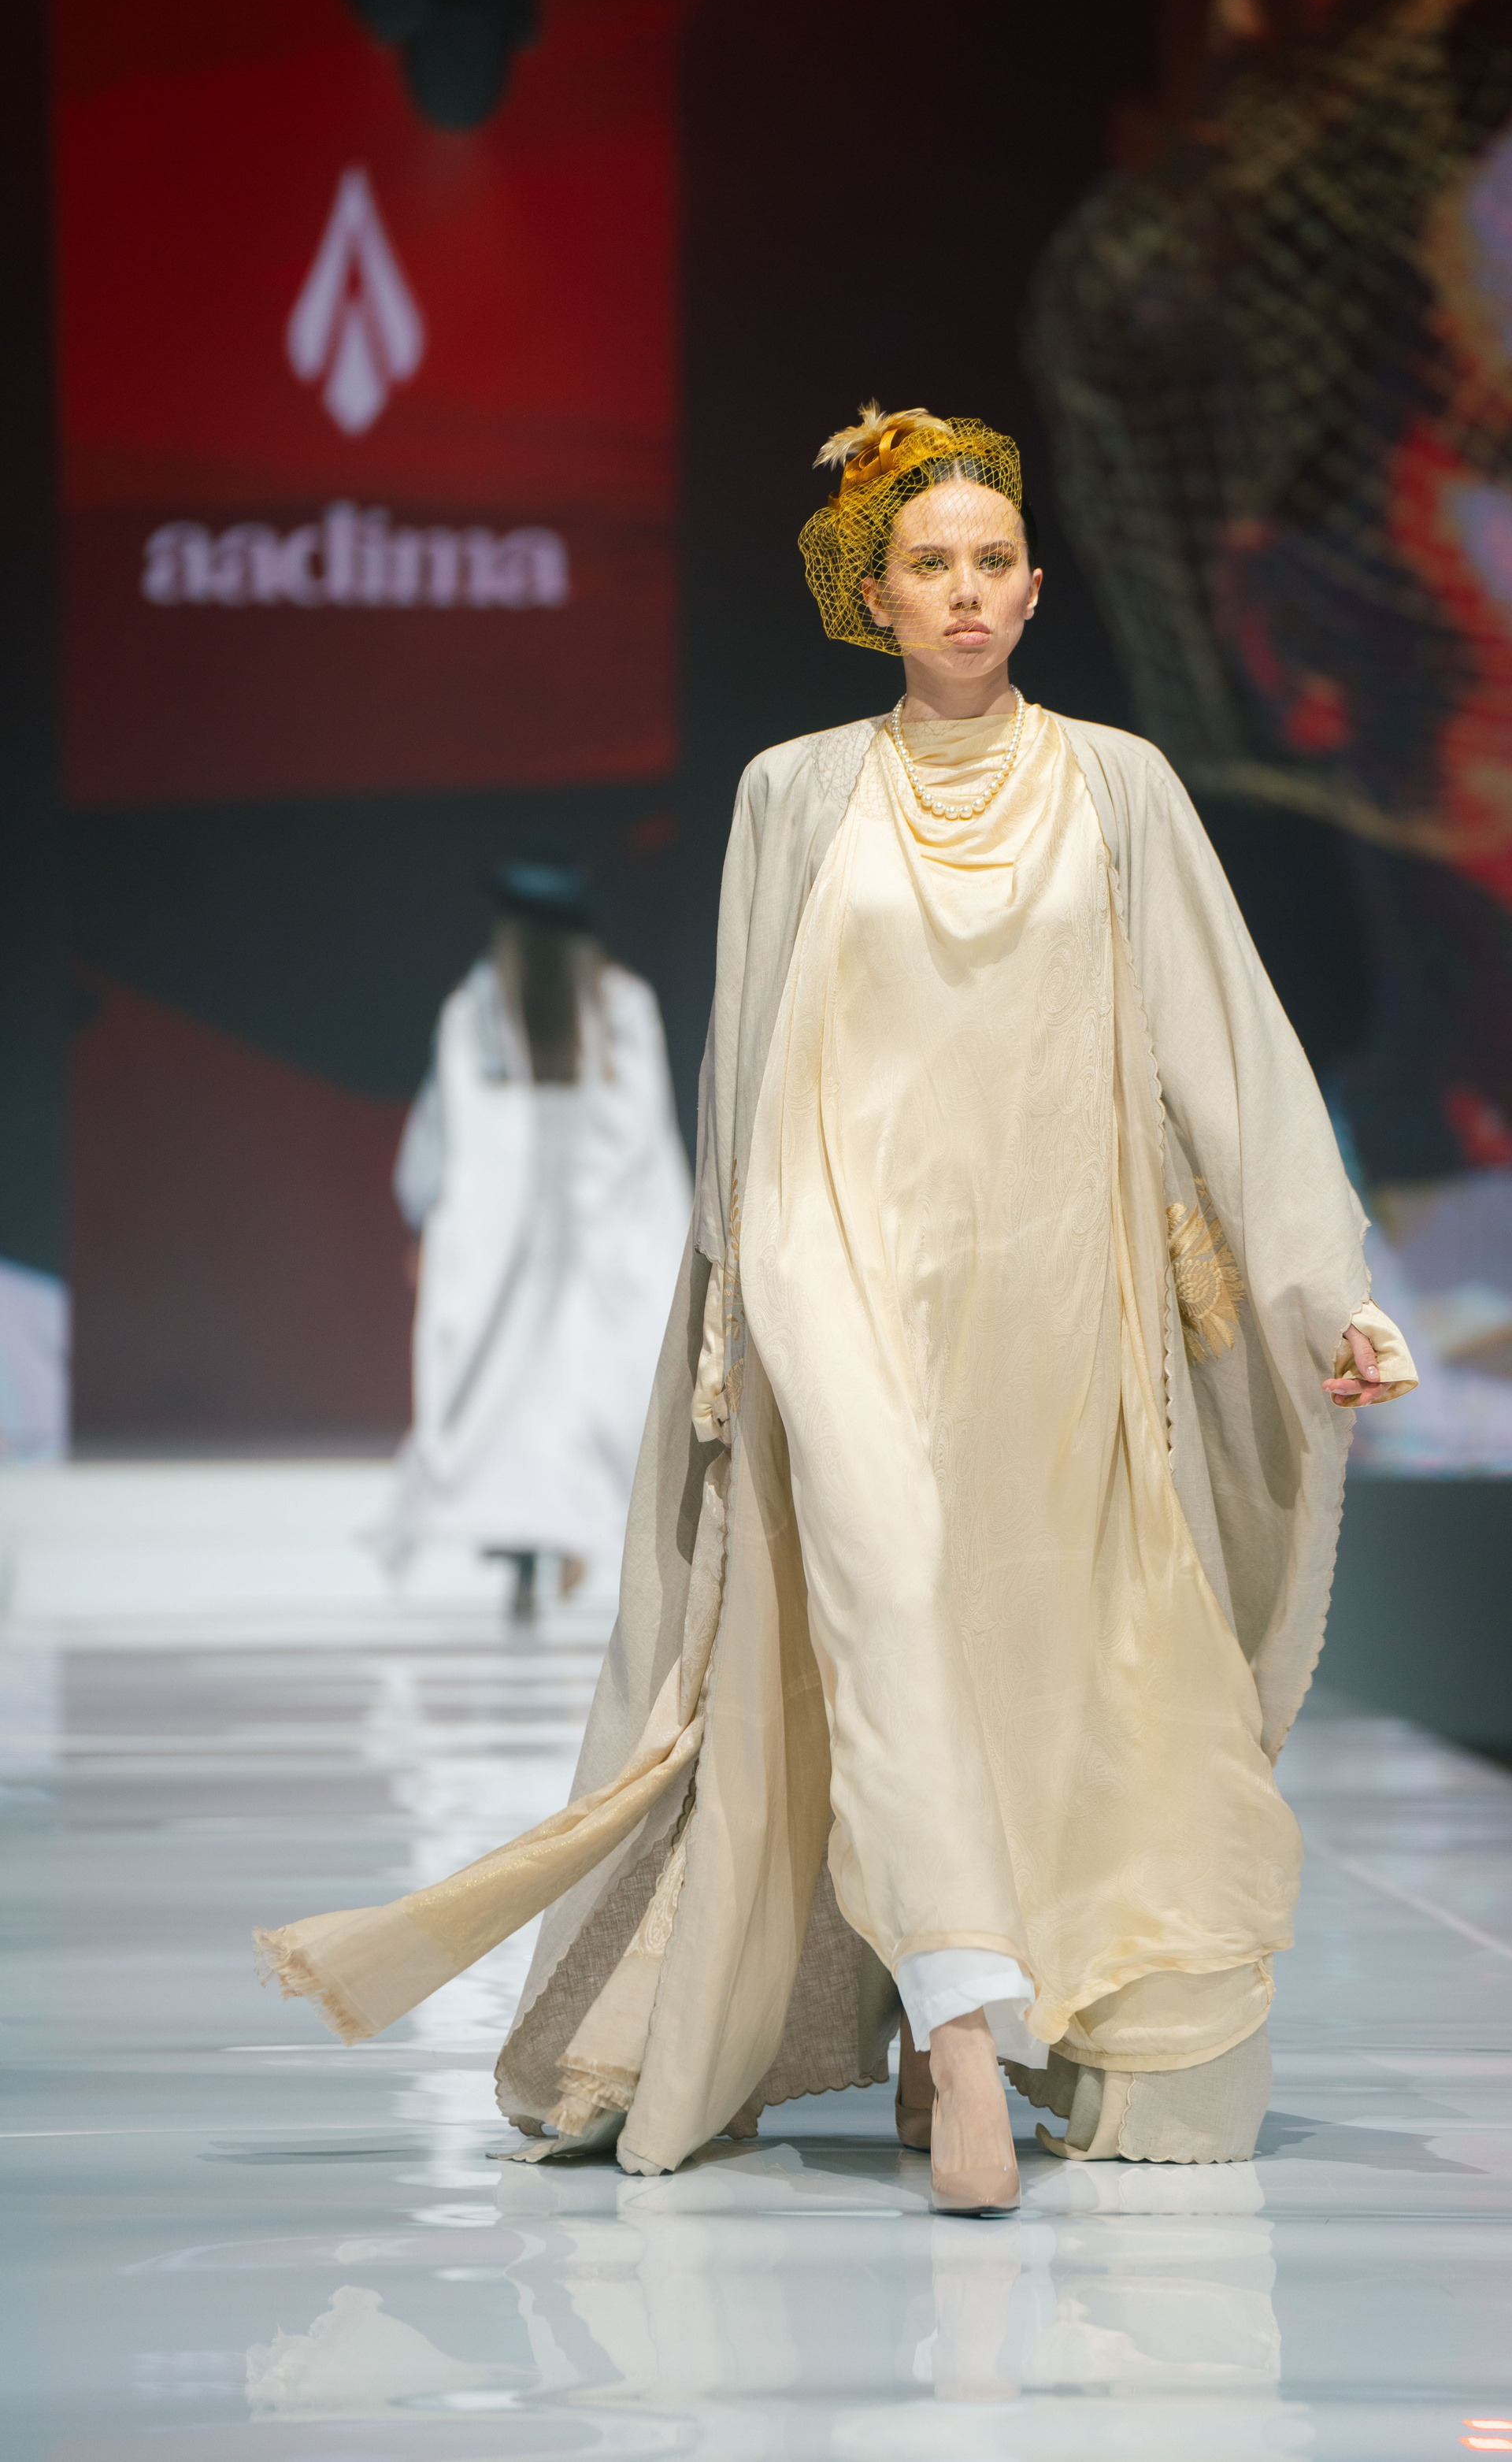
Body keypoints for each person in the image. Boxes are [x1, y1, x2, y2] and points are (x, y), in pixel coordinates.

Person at [259, 408, 1416, 2216]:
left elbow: (1227, 1050)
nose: (962, 591)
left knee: (1037, 1653)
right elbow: (742, 1067)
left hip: (1055, 1295)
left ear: (1034, 587)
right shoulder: (793, 791)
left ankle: (974, 2012)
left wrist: (1320, 1287)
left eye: (989, 562)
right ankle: (957, 2027)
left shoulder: (1120, 785)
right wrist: (733, 1315)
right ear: (872, 596)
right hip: (833, 1264)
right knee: (880, 1606)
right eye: (926, 564)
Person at [377, 853, 691, 1617]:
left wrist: (425, 1210)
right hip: (567, 1241)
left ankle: (535, 1545)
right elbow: (646, 1134)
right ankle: (546, 1541)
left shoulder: (489, 1009)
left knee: (524, 1399)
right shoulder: (598, 1008)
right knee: (564, 1396)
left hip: (527, 1245)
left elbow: (442, 1132)